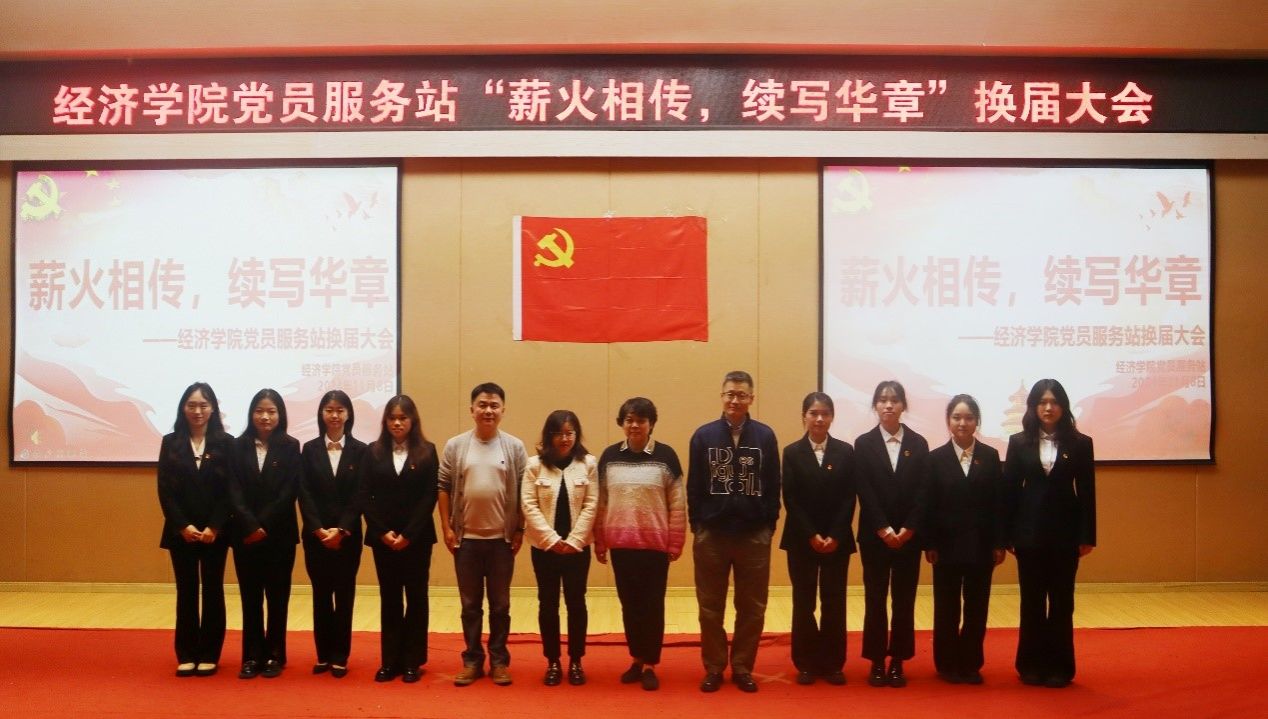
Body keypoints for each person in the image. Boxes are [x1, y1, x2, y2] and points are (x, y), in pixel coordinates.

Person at [687, 370, 781, 694]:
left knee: (752, 607)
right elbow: (694, 486)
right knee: (710, 607)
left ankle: (742, 667)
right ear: (722, 396)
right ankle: (714, 667)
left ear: (751, 398)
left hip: (753, 536)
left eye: (741, 395)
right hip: (712, 535)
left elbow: (774, 484)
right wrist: (697, 525)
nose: (735, 400)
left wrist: (768, 525)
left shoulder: (765, 436)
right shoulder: (704, 436)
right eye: (730, 394)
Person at [1004, 379, 1096, 689]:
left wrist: (1087, 535)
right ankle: (1030, 664)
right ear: (1033, 406)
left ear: (1063, 407)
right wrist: (1008, 535)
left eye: (1054, 402)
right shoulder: (1018, 442)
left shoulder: (1080, 443)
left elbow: (1087, 493)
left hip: (1065, 535)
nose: (1048, 407)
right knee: (1031, 601)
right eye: (1042, 402)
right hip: (1028, 534)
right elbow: (1009, 492)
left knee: (1061, 602)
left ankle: (1060, 667)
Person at [438, 382, 529, 687]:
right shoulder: (456, 446)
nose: (488, 410)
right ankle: (472, 661)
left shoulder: (514, 447)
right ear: (472, 409)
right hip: (466, 541)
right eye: (482, 405)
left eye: (494, 405)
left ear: (503, 410)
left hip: (502, 541)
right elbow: (443, 486)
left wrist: (520, 529)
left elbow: (524, 491)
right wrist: (446, 527)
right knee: (470, 606)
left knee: (501, 606)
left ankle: (500, 662)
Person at [595, 397, 686, 692]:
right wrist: (600, 540)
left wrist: (676, 542)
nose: (634, 425)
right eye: (629, 420)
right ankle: (636, 658)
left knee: (652, 605)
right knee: (630, 605)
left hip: (654, 546)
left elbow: (677, 504)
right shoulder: (609, 457)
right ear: (622, 423)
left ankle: (650, 664)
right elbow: (601, 502)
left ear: (651, 424)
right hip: (621, 546)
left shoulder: (666, 456)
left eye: (641, 420)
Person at [355, 394, 439, 684]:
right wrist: (382, 532)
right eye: (392, 418)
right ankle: (390, 661)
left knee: (416, 598)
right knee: (389, 598)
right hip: (384, 540)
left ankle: (413, 661)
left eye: (403, 418)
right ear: (385, 421)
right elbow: (364, 495)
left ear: (412, 420)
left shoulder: (427, 451)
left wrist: (408, 534)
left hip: (417, 539)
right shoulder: (373, 452)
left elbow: (429, 496)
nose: (397, 423)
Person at [924, 394, 1005, 685]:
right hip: (945, 547)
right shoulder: (935, 458)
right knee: (946, 607)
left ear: (977, 422)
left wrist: (999, 542)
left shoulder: (990, 456)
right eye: (957, 417)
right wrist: (929, 543)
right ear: (948, 421)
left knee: (976, 607)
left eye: (969, 418)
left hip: (981, 545)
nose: (962, 423)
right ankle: (947, 663)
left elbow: (998, 504)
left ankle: (970, 663)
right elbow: (928, 505)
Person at [855, 380, 929, 688]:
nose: (888, 405)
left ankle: (898, 660)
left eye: (894, 400)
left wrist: (909, 528)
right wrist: (883, 528)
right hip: (875, 537)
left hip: (909, 538)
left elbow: (923, 492)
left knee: (903, 600)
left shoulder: (919, 443)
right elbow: (864, 490)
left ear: (903, 406)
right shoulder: (863, 443)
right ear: (875, 405)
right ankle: (875, 660)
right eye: (883, 399)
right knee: (875, 599)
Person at [157, 382, 234, 678]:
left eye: (203, 405)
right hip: (182, 532)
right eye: (192, 405)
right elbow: (165, 491)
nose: (197, 411)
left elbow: (229, 491)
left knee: (213, 590)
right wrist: (183, 526)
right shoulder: (171, 442)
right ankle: (187, 653)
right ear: (183, 408)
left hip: (215, 532)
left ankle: (210, 653)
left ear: (213, 409)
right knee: (186, 591)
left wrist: (215, 526)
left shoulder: (226, 443)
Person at [780, 392, 856, 686]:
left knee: (834, 601)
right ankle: (806, 663)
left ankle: (833, 663)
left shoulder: (845, 451)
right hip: (802, 539)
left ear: (832, 417)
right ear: (804, 416)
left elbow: (849, 497)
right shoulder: (792, 452)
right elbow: (791, 499)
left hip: (837, 539)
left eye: (825, 413)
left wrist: (835, 534)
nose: (819, 419)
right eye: (813, 413)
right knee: (804, 601)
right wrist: (812, 534)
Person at [520, 410, 599, 687]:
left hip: (578, 549)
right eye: (558, 433)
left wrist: (575, 541)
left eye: (569, 433)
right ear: (549, 435)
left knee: (576, 603)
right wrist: (551, 540)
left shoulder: (588, 463)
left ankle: (576, 660)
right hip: (545, 549)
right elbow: (528, 504)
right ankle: (552, 661)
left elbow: (592, 504)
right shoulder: (534, 465)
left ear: (576, 435)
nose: (564, 439)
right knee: (548, 603)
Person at [228, 388, 302, 679]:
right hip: (245, 535)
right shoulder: (237, 446)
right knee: (250, 598)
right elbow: (233, 489)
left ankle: (274, 655)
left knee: (278, 597)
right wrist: (250, 525)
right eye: (259, 411)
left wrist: (264, 525)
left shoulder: (291, 446)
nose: (265, 416)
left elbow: (289, 491)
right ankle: (251, 656)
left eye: (271, 411)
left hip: (279, 535)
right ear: (251, 414)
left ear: (280, 414)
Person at [298, 390, 367, 679]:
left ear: (348, 414)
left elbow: (360, 494)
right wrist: (318, 528)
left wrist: (341, 530)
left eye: (340, 410)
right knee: (321, 595)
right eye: (329, 410)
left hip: (347, 538)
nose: (335, 415)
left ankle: (341, 656)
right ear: (321, 414)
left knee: (345, 595)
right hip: (316, 538)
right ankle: (323, 654)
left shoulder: (361, 451)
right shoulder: (309, 449)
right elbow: (304, 492)